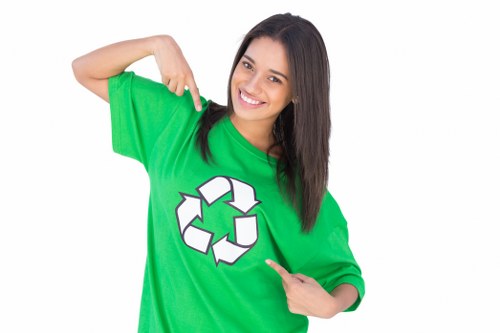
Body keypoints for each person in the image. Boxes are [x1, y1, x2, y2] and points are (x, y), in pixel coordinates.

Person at [72, 12, 364, 333]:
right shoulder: (180, 120)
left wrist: (330, 305)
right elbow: (86, 71)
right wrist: (158, 44)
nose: (251, 85)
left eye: (274, 78)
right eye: (248, 65)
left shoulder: (296, 187)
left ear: (297, 93)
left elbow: (345, 277)